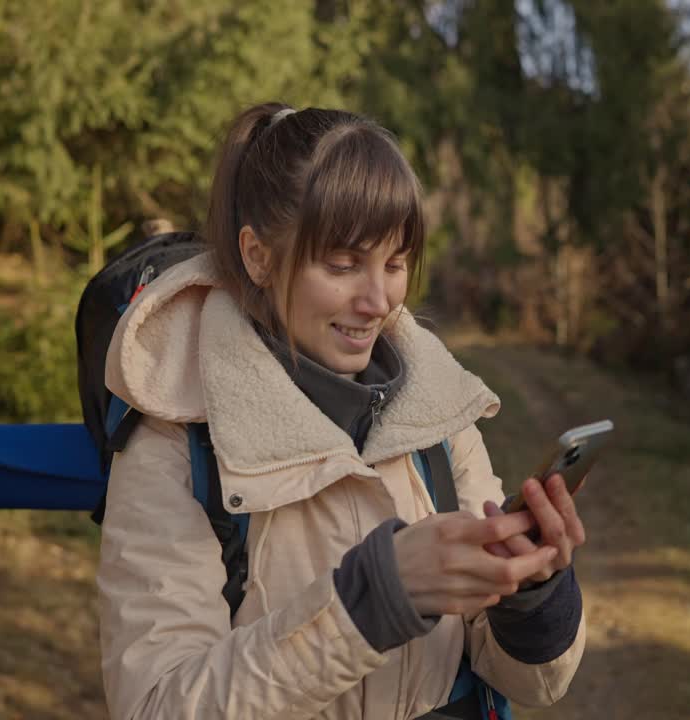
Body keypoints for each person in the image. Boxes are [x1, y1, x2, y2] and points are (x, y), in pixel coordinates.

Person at [97, 103, 588, 720]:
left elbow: (533, 682)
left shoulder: (437, 412)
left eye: (396, 263)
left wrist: (531, 595)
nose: (378, 300)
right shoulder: (177, 438)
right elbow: (156, 705)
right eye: (343, 264)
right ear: (259, 256)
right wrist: (373, 600)